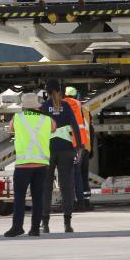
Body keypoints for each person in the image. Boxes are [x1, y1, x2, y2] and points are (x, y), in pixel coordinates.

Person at [4, 92, 56, 237]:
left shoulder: (17, 118)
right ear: (37, 106)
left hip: (23, 165)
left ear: (24, 107)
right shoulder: (48, 120)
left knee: (19, 198)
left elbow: (11, 130)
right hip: (41, 165)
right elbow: (53, 129)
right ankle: (34, 229)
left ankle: (17, 227)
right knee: (38, 198)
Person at [40, 78, 82, 234]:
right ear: (59, 91)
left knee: (46, 187)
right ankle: (67, 224)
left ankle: (45, 224)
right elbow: (75, 126)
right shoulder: (66, 106)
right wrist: (80, 147)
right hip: (66, 150)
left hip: (48, 151)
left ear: (47, 92)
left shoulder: (44, 107)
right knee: (67, 187)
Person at [63, 86, 94, 211]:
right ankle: (86, 202)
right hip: (85, 145)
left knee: (75, 175)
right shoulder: (85, 110)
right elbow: (90, 130)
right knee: (83, 175)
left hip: (74, 145)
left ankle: (77, 201)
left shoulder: (66, 107)